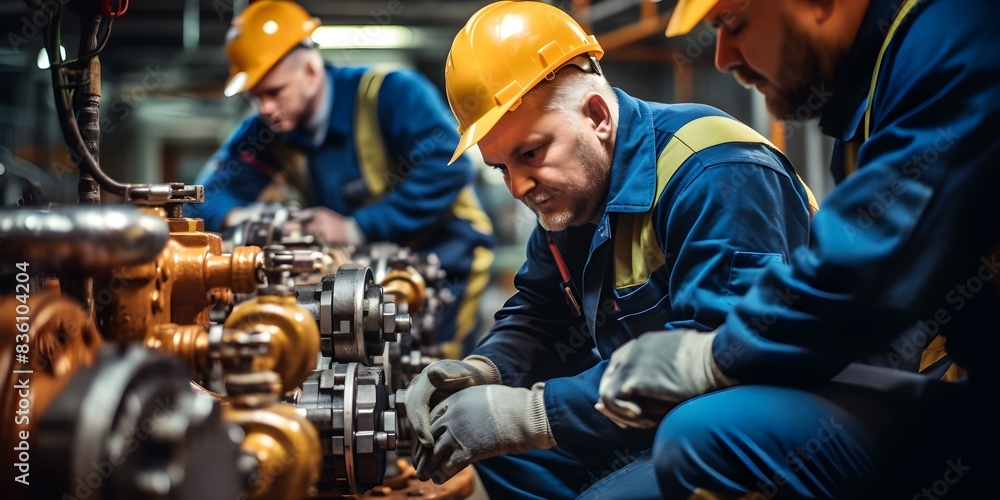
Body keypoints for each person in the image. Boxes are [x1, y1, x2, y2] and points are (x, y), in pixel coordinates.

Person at [404, 2, 818, 497]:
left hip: (771, 417)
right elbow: (541, 312)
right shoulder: (575, 197)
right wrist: (483, 370)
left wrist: (532, 414)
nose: (517, 186)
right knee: (499, 455)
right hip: (657, 414)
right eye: (501, 168)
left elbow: (726, 361)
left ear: (597, 115)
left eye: (530, 153)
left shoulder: (713, 172)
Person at [597, 0, 1000, 497]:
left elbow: (870, 268)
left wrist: (712, 355)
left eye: (732, 23)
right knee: (713, 429)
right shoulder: (869, 106)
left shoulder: (955, 39)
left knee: (704, 435)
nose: (722, 57)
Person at [185, 0, 495, 354]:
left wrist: (353, 227)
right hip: (363, 271)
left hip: (446, 256)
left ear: (311, 72)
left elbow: (448, 165)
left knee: (438, 367)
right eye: (255, 96)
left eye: (273, 92)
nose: (265, 108)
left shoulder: (390, 92)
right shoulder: (269, 129)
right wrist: (248, 219)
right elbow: (205, 194)